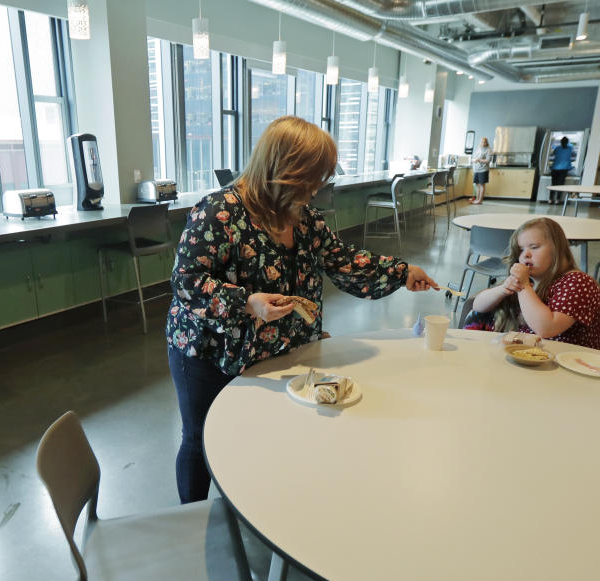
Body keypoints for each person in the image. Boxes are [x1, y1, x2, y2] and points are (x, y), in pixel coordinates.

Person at [166, 115, 439, 504]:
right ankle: (190, 520)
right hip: (209, 349)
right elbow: (186, 282)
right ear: (285, 170)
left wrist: (400, 272)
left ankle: (251, 506)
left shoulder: (303, 217)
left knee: (257, 432)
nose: (317, 189)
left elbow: (342, 261)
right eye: (313, 178)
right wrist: (247, 301)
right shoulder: (218, 212)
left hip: (271, 350)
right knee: (199, 437)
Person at [463, 217, 600, 348]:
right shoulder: (528, 279)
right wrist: (503, 289)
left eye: (534, 247)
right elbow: (477, 306)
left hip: (560, 362)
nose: (526, 254)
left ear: (557, 249)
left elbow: (547, 328)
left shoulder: (579, 283)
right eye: (521, 250)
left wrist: (524, 286)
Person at [548, 136, 575, 205]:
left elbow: (552, 155)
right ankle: (557, 200)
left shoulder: (557, 148)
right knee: (560, 185)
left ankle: (550, 199)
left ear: (561, 142)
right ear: (567, 142)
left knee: (553, 185)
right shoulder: (570, 148)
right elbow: (574, 156)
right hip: (564, 169)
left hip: (555, 168)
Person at [470, 137, 491, 204]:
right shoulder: (478, 149)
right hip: (476, 169)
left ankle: (480, 200)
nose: (483, 143)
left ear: (486, 143)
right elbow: (474, 157)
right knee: (477, 185)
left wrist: (479, 160)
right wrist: (474, 160)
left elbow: (488, 160)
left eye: (484, 142)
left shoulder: (488, 150)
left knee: (482, 185)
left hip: (483, 170)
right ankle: (477, 199)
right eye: (482, 142)